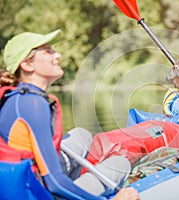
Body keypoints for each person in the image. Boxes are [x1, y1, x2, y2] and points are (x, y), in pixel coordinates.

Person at [0, 30, 139, 200]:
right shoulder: (32, 104)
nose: (57, 55)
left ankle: (76, 187)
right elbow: (54, 183)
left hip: (30, 181)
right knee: (120, 164)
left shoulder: (17, 96)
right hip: (36, 192)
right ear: (27, 65)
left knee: (81, 135)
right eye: (48, 51)